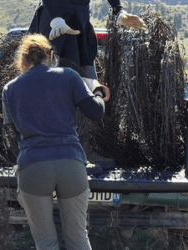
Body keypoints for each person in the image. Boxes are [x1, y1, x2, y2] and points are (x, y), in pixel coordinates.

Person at [2, 34, 106, 250]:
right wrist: (97, 92)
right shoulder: (68, 76)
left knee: (45, 242)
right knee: (78, 238)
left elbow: (11, 134)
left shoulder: (10, 88)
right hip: (71, 163)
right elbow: (95, 112)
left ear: (23, 60)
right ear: (51, 55)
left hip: (33, 165)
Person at [28, 0, 147, 167]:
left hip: (79, 25)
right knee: (53, 90)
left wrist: (118, 10)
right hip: (54, 25)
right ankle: (52, 151)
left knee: (86, 86)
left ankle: (83, 150)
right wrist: (56, 17)